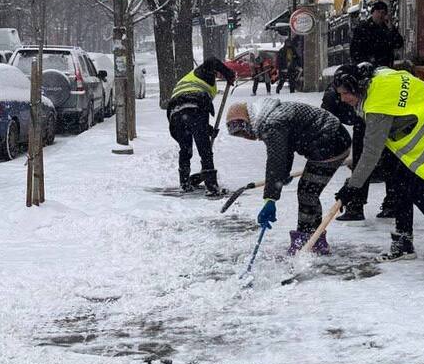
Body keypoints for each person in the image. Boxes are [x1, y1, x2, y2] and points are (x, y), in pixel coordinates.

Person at [332, 64, 424, 262]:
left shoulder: (377, 104)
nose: (343, 99)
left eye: (345, 93)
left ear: (358, 87)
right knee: (398, 184)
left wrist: (352, 186)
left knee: (415, 190)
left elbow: (372, 151)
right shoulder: (379, 77)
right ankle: (403, 243)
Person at [225, 98, 351, 255]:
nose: (247, 136)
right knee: (309, 190)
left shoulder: (272, 123)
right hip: (330, 138)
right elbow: (286, 148)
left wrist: (270, 199)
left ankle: (307, 240)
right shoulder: (268, 116)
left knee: (308, 192)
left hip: (331, 143)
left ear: (248, 120)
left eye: (245, 131)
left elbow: (276, 159)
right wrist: (283, 174)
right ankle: (313, 237)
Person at [321, 78, 398, 221]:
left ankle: (359, 206)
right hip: (367, 119)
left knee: (367, 161)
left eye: (346, 95)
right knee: (382, 160)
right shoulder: (337, 96)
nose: (344, 99)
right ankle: (391, 204)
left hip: (370, 118)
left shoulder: (340, 95)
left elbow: (368, 155)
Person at [167, 57, 236, 194]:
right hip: (194, 109)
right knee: (205, 150)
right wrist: (228, 73)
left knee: (185, 149)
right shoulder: (203, 72)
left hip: (175, 113)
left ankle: (185, 183)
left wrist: (208, 130)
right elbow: (211, 60)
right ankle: (211, 186)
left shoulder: (188, 79)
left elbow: (190, 118)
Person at [350, 0, 404, 68]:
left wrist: (391, 29)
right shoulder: (362, 29)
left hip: (386, 69)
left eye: (383, 13)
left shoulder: (387, 29)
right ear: (372, 13)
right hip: (369, 69)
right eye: (378, 12)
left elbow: (398, 43)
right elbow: (355, 51)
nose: (380, 15)